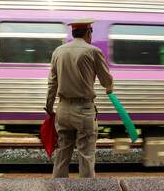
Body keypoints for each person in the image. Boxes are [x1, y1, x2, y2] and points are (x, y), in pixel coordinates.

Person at [44, 17, 114, 178]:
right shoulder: (93, 51)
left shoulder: (58, 51)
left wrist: (49, 108)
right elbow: (106, 80)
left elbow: (52, 84)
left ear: (73, 33)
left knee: (62, 155)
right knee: (86, 155)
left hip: (62, 110)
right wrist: (109, 89)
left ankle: (57, 188)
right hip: (83, 110)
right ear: (88, 33)